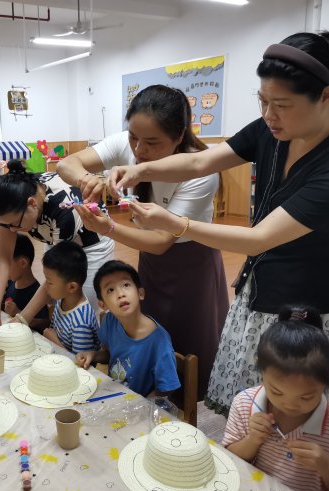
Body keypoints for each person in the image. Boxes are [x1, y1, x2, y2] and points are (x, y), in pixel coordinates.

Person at [108, 30, 329, 455]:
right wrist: (141, 171)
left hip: (322, 305)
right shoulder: (274, 128)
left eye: (281, 104)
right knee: (258, 406)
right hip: (265, 285)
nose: (269, 114)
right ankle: (253, 456)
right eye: (262, 101)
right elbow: (201, 160)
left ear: (327, 96)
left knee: (306, 418)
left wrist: (175, 223)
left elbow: (259, 238)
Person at [59, 85, 228, 399]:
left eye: (152, 142)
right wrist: (87, 179)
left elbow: (162, 240)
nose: (138, 149)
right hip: (151, 258)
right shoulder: (127, 143)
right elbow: (65, 164)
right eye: (134, 137)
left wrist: (109, 228)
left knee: (190, 338)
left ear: (179, 136)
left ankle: (186, 403)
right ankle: (148, 392)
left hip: (191, 261)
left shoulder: (201, 170)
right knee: (147, 327)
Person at [223, 306, 329, 491]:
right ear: (261, 371)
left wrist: (327, 466)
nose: (290, 404)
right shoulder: (244, 404)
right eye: (277, 392)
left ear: (325, 383)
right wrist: (252, 440)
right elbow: (227, 460)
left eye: (306, 397)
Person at [0, 160, 115, 341]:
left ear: (32, 204)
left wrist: (22, 319)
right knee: (57, 300)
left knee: (80, 307)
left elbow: (57, 274)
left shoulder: (64, 210)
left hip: (92, 244)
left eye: (14, 224)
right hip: (56, 235)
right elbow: (4, 258)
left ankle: (87, 348)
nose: (11, 230)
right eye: (4, 225)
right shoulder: (16, 198)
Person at [76, 260, 181, 397]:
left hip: (139, 405)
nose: (120, 294)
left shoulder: (159, 341)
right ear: (103, 305)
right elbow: (110, 354)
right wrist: (93, 355)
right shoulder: (110, 321)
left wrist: (143, 403)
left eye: (126, 285)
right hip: (113, 396)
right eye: (110, 290)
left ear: (140, 293)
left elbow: (167, 388)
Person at [39, 241, 99, 354]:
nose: (45, 286)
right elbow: (52, 330)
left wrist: (53, 340)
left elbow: (79, 361)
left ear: (71, 287)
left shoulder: (81, 323)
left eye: (49, 282)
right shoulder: (62, 298)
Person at [3, 233, 49, 332]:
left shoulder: (37, 292)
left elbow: (44, 324)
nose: (3, 270)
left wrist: (18, 313)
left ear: (23, 263)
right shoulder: (11, 283)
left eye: (7, 265)